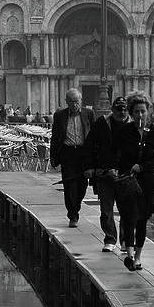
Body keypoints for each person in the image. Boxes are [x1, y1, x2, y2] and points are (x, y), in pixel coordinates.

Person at [111, 94, 154, 271]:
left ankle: (138, 256)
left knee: (142, 220)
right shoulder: (124, 132)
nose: (140, 115)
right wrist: (114, 168)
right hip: (127, 181)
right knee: (129, 217)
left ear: (148, 112)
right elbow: (114, 153)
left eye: (143, 111)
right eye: (136, 112)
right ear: (131, 113)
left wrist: (142, 167)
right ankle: (130, 254)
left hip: (146, 182)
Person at [83, 95, 130, 252]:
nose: (121, 113)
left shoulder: (134, 125)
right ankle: (110, 238)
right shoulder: (101, 124)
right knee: (106, 209)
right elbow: (90, 145)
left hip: (125, 175)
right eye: (118, 110)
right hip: (104, 173)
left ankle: (125, 240)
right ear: (112, 110)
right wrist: (89, 166)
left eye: (124, 110)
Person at [50, 88, 95, 227]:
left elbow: (94, 135)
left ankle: (76, 207)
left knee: (82, 185)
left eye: (77, 101)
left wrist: (95, 157)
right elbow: (55, 137)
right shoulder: (60, 116)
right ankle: (72, 215)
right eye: (71, 102)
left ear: (81, 101)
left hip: (84, 153)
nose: (74, 105)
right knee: (69, 185)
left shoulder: (89, 114)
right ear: (66, 102)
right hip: (68, 153)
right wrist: (53, 157)